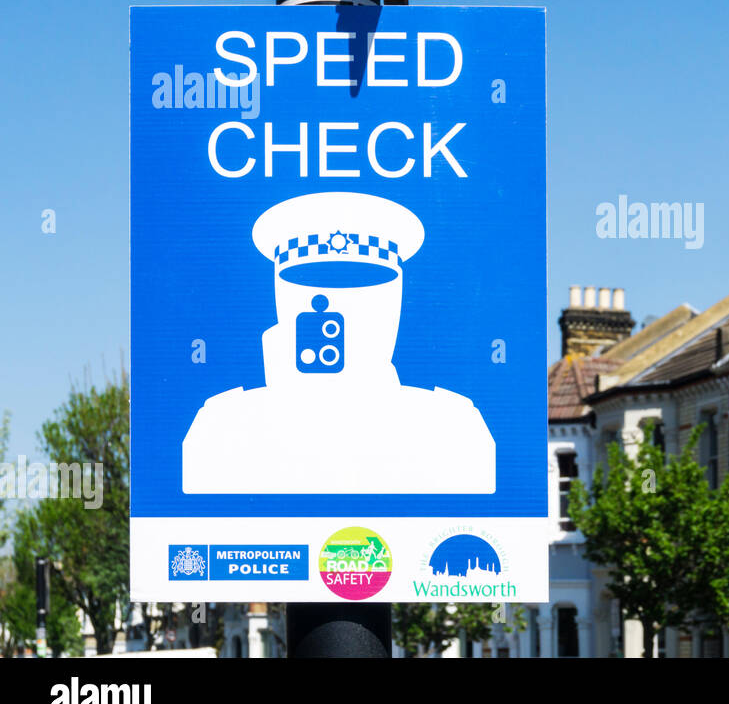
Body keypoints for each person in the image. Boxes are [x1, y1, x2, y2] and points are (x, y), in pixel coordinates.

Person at [182, 191, 496, 494]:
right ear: (280, 295)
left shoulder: (450, 426)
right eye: (310, 281)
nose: (338, 304)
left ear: (396, 298)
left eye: (362, 280)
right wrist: (287, 411)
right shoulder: (225, 425)